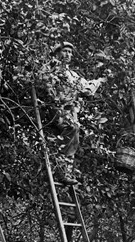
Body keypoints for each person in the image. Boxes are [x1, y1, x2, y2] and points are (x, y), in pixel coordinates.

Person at [44, 41, 106, 185]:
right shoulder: (51, 69)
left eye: (70, 52)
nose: (68, 55)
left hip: (70, 111)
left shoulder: (72, 74)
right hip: (56, 108)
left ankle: (66, 171)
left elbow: (86, 89)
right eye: (65, 51)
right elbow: (47, 86)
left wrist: (99, 81)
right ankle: (61, 170)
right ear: (57, 53)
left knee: (75, 135)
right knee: (72, 128)